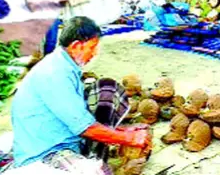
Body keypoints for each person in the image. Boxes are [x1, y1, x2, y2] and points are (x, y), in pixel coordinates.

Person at [11, 17, 151, 172]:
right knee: (98, 171)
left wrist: (121, 132)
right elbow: (85, 127)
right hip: (46, 151)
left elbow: (79, 115)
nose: (94, 53)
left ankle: (94, 150)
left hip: (66, 135)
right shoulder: (55, 74)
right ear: (76, 46)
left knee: (107, 90)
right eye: (92, 47)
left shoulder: (65, 64)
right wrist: (129, 138)